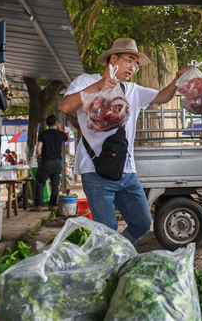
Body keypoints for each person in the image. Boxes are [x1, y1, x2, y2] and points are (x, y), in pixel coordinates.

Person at [60, 37, 192, 244]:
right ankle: (108, 263)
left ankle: (117, 253)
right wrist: (98, 86)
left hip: (127, 171)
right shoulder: (86, 81)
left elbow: (163, 97)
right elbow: (65, 107)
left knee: (141, 222)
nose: (133, 67)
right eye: (130, 60)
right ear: (114, 58)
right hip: (95, 171)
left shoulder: (133, 90)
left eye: (136, 64)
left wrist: (178, 79)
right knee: (108, 229)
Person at [30, 115, 69, 212]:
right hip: (57, 163)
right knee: (55, 184)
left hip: (46, 162)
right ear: (56, 124)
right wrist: (60, 129)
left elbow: (38, 149)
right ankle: (52, 205)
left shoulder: (42, 134)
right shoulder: (60, 134)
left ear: (46, 123)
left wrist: (39, 157)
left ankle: (39, 206)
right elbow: (68, 138)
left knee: (40, 183)